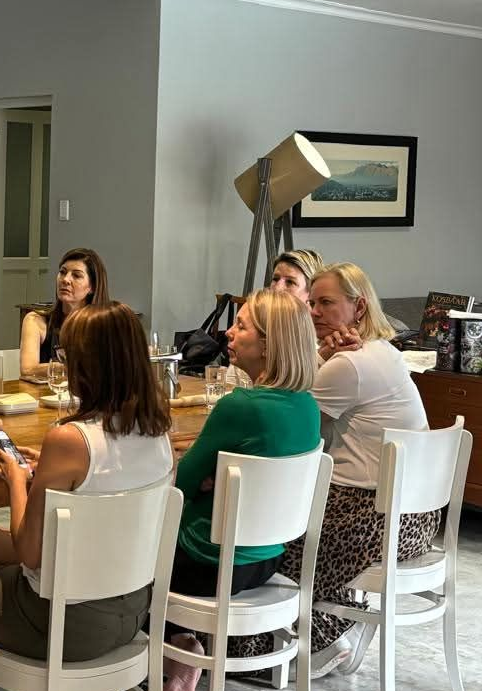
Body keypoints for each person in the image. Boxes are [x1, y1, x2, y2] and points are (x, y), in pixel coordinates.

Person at [0, 302, 173, 691]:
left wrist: (18, 481)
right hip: (133, 611)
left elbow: (29, 553)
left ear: (89, 365)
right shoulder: (159, 435)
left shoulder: (70, 440)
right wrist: (49, 475)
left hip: (66, 625)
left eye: (68, 354)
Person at [244, 263, 437, 679]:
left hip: (372, 517)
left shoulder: (349, 365)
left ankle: (309, 643)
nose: (313, 311)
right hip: (414, 516)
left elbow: (286, 421)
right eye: (311, 302)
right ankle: (325, 634)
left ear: (359, 306)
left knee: (266, 541)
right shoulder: (381, 352)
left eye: (326, 303)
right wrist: (322, 352)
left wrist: (320, 355)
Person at [164, 289, 321, 691]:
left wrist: (202, 482)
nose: (228, 333)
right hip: (268, 558)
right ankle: (177, 646)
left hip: (208, 562)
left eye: (242, 325)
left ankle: (156, 652)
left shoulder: (241, 406)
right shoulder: (307, 405)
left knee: (122, 550)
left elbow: (178, 488)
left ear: (269, 344)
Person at [225, 248, 324, 388]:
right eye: (275, 279)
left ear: (311, 294)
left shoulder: (319, 348)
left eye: (290, 282)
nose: (277, 288)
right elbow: (231, 394)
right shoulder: (251, 342)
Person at [19, 247, 110, 378]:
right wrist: (74, 367)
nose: (65, 280)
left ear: (92, 287)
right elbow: (28, 369)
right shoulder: (35, 320)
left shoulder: (103, 323)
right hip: (47, 395)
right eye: (62, 272)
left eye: (76, 275)